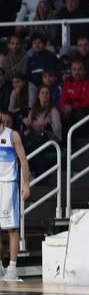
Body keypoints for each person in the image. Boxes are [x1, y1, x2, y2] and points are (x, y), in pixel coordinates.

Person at [0, 115, 30, 281]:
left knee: (11, 228)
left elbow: (23, 161)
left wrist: (26, 185)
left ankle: (12, 269)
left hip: (8, 185)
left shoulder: (13, 135)